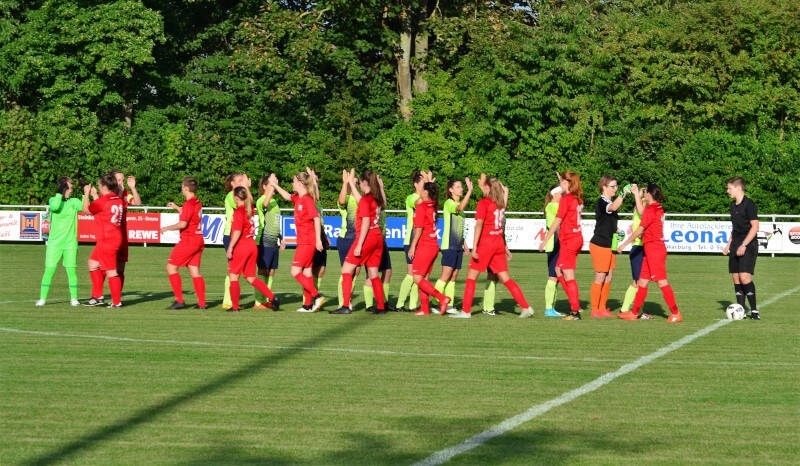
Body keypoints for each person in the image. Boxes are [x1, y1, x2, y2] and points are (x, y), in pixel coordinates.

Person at [453, 174, 534, 319]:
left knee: (471, 277)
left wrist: (474, 246)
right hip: (498, 243)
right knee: (505, 278)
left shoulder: (484, 203)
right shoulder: (500, 203)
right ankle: (526, 307)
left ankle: (465, 311)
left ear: (487, 187)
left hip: (486, 243)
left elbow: (479, 225)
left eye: (483, 184)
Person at [617, 183, 682, 322]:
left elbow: (639, 230)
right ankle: (634, 313)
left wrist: (623, 244)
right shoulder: (656, 207)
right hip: (651, 248)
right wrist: (636, 194)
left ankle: (676, 313)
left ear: (649, 194)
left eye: (645, 192)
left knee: (662, 282)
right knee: (642, 281)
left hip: (654, 249)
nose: (644, 194)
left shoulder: (651, 210)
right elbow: (642, 213)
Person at [331, 170, 389, 314]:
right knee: (373, 273)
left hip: (367, 237)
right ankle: (381, 307)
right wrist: (350, 183)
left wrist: (359, 244)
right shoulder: (375, 199)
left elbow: (366, 222)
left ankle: (345, 306)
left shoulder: (365, 200)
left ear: (363, 183)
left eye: (359, 183)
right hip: (377, 237)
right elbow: (361, 200)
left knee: (346, 270)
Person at [271, 171, 326, 312]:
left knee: (295, 271)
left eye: (294, 181)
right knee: (307, 272)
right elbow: (286, 196)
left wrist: (318, 240)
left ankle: (317, 296)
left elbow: (316, 218)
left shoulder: (307, 200)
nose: (292, 183)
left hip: (307, 242)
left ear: (301, 183)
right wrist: (274, 185)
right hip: (303, 241)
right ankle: (307, 305)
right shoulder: (298, 198)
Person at [539, 171, 584, 320]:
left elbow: (557, 221)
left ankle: (575, 311)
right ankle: (574, 303)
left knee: (568, 275)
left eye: (563, 182)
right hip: (576, 238)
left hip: (569, 240)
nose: (561, 185)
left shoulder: (566, 200)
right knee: (558, 270)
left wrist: (544, 241)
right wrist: (563, 181)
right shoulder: (578, 198)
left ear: (570, 184)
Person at [225, 186, 279, 312]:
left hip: (241, 245)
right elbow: (250, 200)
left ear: (236, 197)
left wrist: (230, 247)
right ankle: (272, 297)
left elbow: (237, 232)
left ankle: (235, 307)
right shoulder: (249, 210)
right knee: (251, 278)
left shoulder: (238, 212)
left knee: (233, 275)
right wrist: (247, 187)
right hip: (251, 245)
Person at [160, 177, 206, 310]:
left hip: (188, 240)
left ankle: (179, 300)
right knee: (194, 271)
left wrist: (166, 228)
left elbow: (183, 224)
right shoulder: (196, 201)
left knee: (171, 267)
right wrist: (177, 208)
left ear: (185, 188)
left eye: (182, 187)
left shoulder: (189, 204)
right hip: (198, 239)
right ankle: (202, 303)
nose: (181, 189)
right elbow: (189, 214)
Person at [36, 177, 83, 307]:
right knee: (49, 271)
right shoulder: (53, 200)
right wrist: (59, 192)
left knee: (71, 272)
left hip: (70, 244)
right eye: (68, 187)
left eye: (71, 188)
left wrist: (85, 193)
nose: (71, 190)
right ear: (62, 188)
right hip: (54, 244)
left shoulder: (74, 201)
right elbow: (55, 207)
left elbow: (85, 208)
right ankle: (42, 299)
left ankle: (74, 299)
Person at [408, 181, 451, 316]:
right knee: (424, 278)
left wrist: (412, 246)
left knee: (417, 278)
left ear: (426, 192)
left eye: (422, 190)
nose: (419, 192)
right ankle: (425, 309)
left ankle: (442, 298)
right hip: (433, 245)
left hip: (425, 245)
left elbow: (419, 229)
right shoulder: (432, 205)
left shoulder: (422, 207)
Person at [432, 177, 473, 315]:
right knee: (445, 275)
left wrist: (464, 244)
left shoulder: (460, 207)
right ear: (451, 190)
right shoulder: (449, 203)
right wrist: (470, 191)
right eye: (458, 187)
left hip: (458, 246)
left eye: (462, 187)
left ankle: (449, 305)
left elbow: (458, 228)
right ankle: (435, 303)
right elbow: (460, 207)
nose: (461, 189)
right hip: (449, 245)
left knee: (454, 276)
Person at [82, 173, 124, 308]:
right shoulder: (117, 198)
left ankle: (116, 302)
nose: (98, 186)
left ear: (104, 186)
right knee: (92, 264)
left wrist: (87, 194)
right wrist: (95, 196)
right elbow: (101, 209)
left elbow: (86, 210)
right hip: (112, 237)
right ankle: (98, 296)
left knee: (111, 271)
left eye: (100, 184)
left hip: (108, 239)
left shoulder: (103, 200)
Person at [588, 175, 627, 318]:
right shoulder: (602, 201)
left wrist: (618, 231)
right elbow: (614, 207)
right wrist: (624, 193)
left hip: (609, 245)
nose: (615, 189)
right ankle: (595, 310)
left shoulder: (609, 202)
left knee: (609, 276)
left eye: (616, 186)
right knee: (600, 276)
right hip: (600, 244)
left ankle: (602, 308)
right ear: (604, 187)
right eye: (612, 186)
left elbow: (607, 222)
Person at [722, 176, 760, 319]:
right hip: (735, 244)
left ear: (738, 188)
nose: (727, 191)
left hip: (748, 244)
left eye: (729, 188)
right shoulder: (732, 205)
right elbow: (735, 228)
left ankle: (754, 311)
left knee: (744, 277)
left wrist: (744, 244)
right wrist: (728, 245)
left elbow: (755, 227)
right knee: (736, 278)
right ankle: (741, 310)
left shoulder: (749, 204)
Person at [394, 170, 432, 312]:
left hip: (423, 239)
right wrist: (428, 185)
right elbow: (419, 203)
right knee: (411, 273)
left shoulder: (426, 197)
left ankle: (413, 305)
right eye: (422, 182)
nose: (424, 184)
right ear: (416, 184)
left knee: (419, 273)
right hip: (412, 238)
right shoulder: (411, 197)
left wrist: (429, 187)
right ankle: (399, 304)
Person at [254, 174, 283, 310]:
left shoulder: (275, 202)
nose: (274, 187)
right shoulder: (261, 200)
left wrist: (280, 238)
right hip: (264, 241)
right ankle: (258, 301)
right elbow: (265, 204)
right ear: (265, 186)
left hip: (273, 241)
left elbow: (275, 221)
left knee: (271, 271)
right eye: (270, 184)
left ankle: (268, 299)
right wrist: (273, 185)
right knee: (263, 270)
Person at [110, 170, 141, 290]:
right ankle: (98, 295)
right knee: (105, 267)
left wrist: (133, 188)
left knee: (120, 268)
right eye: (119, 180)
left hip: (122, 235)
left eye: (123, 180)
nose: (121, 183)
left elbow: (138, 204)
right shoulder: (107, 194)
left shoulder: (125, 194)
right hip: (110, 235)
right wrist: (120, 192)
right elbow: (113, 204)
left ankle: (117, 295)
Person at [619, 184, 647, 316]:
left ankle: (638, 311)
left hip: (641, 247)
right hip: (638, 247)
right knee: (637, 282)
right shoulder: (643, 207)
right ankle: (625, 309)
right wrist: (624, 244)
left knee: (640, 282)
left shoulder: (640, 208)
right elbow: (639, 231)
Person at [335, 169, 361, 309]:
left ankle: (347, 299)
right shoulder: (347, 199)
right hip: (346, 239)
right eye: (352, 182)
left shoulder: (360, 199)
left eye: (355, 183)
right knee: (347, 271)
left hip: (358, 240)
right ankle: (343, 303)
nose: (354, 184)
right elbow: (341, 201)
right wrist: (345, 183)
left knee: (356, 272)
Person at [541, 184, 567, 317]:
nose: (563, 196)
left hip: (556, 243)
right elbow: (555, 226)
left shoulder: (553, 206)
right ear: (555, 194)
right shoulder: (553, 206)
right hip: (554, 243)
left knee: (556, 276)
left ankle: (552, 307)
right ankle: (548, 308)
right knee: (553, 276)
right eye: (561, 194)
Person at [221, 173, 246, 309]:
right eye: (240, 180)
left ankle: (230, 300)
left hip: (235, 234)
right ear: (232, 183)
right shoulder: (232, 196)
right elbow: (243, 207)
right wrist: (247, 188)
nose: (242, 182)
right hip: (230, 234)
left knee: (235, 269)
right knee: (233, 269)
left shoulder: (237, 194)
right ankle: (228, 300)